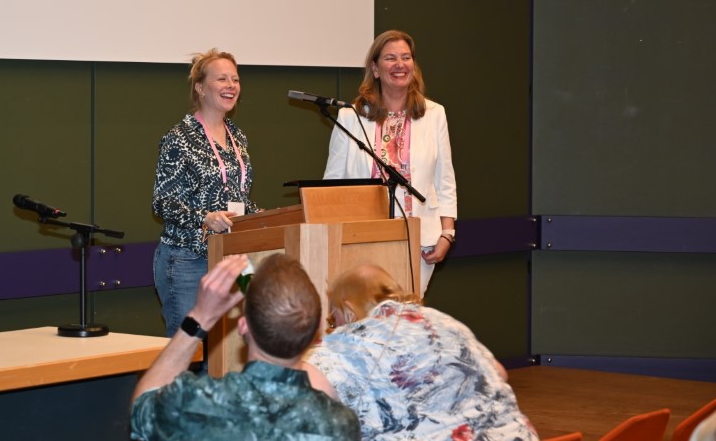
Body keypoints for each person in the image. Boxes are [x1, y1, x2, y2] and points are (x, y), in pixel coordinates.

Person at [131, 254, 360, 440]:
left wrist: (201, 316)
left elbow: (142, 410)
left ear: (243, 326)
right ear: (316, 331)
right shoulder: (340, 424)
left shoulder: (198, 403)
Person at [303, 263, 538, 441]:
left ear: (349, 310)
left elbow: (307, 393)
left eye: (334, 317)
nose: (334, 325)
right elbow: (499, 373)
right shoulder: (444, 321)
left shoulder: (348, 341)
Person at [323, 30, 456, 295]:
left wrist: (447, 233)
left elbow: (445, 180)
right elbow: (332, 185)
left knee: (408, 313)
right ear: (375, 68)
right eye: (390, 58)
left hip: (420, 239)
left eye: (406, 57)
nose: (400, 65)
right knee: (368, 312)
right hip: (362, 238)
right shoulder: (350, 116)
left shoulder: (434, 114)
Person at [152, 49, 257, 338]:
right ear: (200, 88)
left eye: (235, 79)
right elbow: (162, 202)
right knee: (190, 347)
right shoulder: (180, 138)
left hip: (231, 257)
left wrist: (263, 216)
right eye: (221, 79)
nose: (231, 85)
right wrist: (205, 217)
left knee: (229, 349)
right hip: (187, 260)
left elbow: (238, 197)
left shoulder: (237, 136)